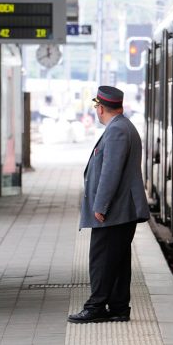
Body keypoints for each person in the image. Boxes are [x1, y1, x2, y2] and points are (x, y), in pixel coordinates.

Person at [68, 85, 150, 323]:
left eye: (96, 107)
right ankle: (118, 307)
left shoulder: (117, 131)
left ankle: (95, 307)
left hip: (115, 210)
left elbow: (110, 172)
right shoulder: (122, 127)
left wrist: (100, 206)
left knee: (101, 259)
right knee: (117, 260)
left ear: (100, 108)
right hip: (122, 209)